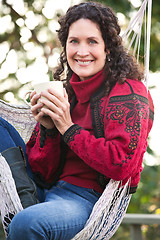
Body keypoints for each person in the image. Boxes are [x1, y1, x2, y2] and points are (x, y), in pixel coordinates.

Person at [0, 1, 154, 240]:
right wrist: (48, 129)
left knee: (26, 224)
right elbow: (43, 173)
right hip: (43, 190)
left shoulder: (130, 93)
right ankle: (27, 205)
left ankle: (29, 214)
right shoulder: (66, 93)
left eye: (92, 41)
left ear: (108, 48)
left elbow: (122, 165)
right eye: (74, 41)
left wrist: (66, 126)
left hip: (85, 201)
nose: (82, 52)